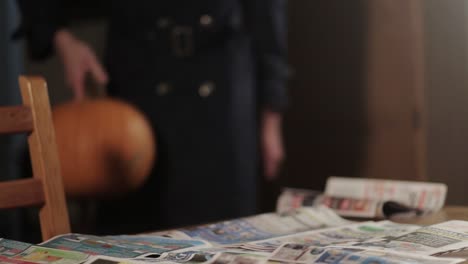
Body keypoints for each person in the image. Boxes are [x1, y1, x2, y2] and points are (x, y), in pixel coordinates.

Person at [17, 0, 289, 234]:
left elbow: (266, 10)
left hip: (222, 91)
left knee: (225, 232)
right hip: (136, 89)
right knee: (136, 231)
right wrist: (60, 37)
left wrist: (271, 114)